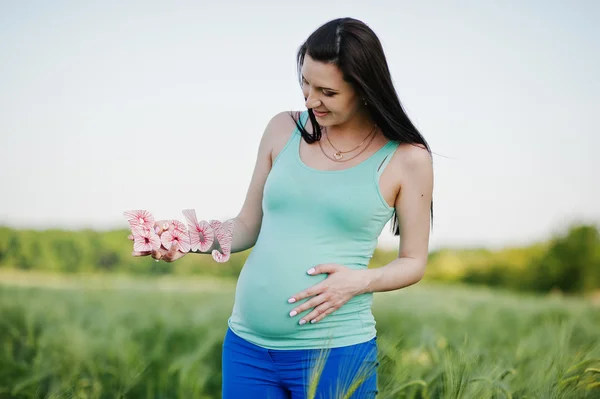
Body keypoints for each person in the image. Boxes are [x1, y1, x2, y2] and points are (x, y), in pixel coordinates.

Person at [130, 17, 433, 399]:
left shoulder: (408, 159)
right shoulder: (282, 129)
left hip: (335, 353)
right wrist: (188, 238)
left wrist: (360, 281)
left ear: (364, 88)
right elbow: (246, 224)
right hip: (246, 348)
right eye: (305, 83)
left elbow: (413, 261)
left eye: (327, 91)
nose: (310, 99)